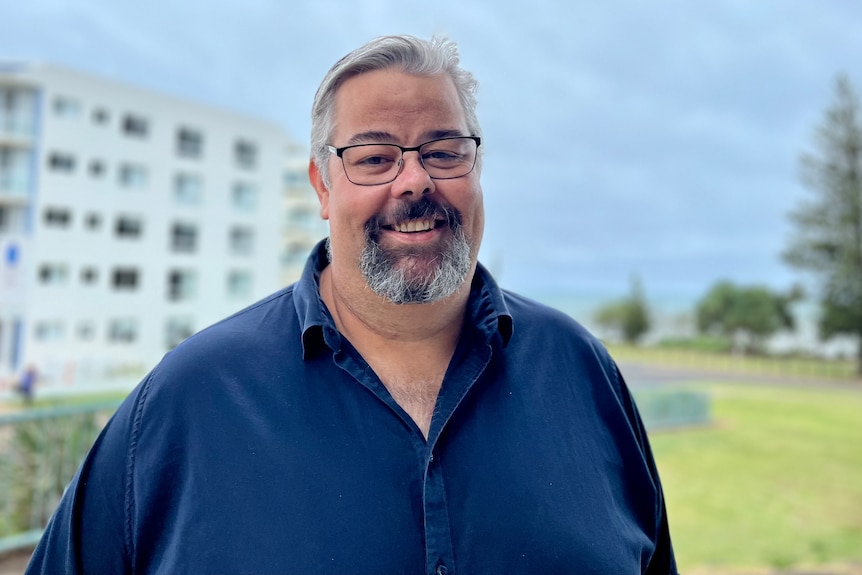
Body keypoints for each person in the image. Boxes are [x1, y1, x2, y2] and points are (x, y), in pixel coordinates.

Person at [26, 35, 677, 574]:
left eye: (444, 151)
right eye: (374, 157)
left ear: (477, 167)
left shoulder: (583, 373)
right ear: (322, 184)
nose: (415, 179)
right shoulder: (185, 401)